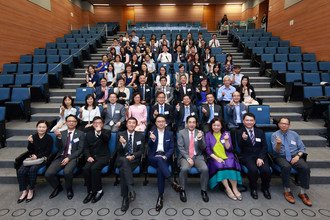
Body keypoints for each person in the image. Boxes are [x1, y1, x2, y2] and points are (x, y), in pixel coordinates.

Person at [271, 117, 312, 206]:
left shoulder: (294, 134)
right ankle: (287, 191)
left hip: (294, 155)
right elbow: (276, 151)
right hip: (280, 156)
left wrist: (298, 156)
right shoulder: (275, 135)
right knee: (286, 167)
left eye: (286, 124)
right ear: (278, 124)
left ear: (289, 125)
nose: (283, 125)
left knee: (305, 168)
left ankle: (302, 193)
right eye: (282, 123)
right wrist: (278, 144)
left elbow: (302, 148)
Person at [148, 115, 183, 212]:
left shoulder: (170, 133)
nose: (160, 123)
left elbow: (172, 148)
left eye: (162, 121)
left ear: (165, 123)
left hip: (164, 157)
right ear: (156, 123)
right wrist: (152, 139)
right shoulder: (151, 132)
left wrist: (166, 156)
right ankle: (172, 182)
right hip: (153, 157)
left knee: (160, 169)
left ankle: (160, 196)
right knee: (159, 160)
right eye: (158, 121)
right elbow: (148, 147)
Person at [45, 115, 85, 200]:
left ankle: (69, 189)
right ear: (66, 122)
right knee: (48, 174)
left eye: (73, 121)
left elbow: (80, 149)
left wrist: (69, 158)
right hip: (61, 156)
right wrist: (59, 137)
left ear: (76, 123)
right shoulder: (61, 133)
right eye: (69, 121)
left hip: (73, 157)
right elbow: (58, 147)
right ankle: (58, 187)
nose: (71, 122)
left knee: (67, 172)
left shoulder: (81, 134)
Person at [205, 118, 242, 200]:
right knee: (220, 166)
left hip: (227, 155)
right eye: (214, 125)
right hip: (214, 157)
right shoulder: (208, 135)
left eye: (218, 125)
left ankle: (234, 188)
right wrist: (217, 158)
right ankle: (228, 189)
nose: (216, 127)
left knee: (231, 164)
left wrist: (226, 140)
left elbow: (229, 149)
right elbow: (207, 150)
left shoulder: (226, 134)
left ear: (221, 126)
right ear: (211, 126)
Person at [236, 113, 272, 200]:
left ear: (254, 121)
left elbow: (264, 147)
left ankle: (265, 188)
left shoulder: (260, 131)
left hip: (260, 155)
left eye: (251, 120)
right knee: (253, 170)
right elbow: (239, 146)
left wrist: (260, 157)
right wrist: (243, 139)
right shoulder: (239, 132)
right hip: (247, 156)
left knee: (266, 170)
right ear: (243, 121)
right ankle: (254, 188)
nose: (249, 122)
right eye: (247, 120)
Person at [17, 120, 53, 203]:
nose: (41, 129)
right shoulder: (33, 137)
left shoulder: (49, 138)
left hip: (42, 159)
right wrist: (30, 143)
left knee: (33, 169)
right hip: (32, 158)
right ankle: (24, 191)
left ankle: (31, 190)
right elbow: (30, 150)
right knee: (21, 171)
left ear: (47, 128)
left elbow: (48, 151)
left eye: (43, 127)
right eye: (39, 127)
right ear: (37, 127)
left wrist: (37, 156)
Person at [177, 116, 209, 203]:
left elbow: (203, 148)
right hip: (185, 156)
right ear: (186, 123)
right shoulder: (181, 132)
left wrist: (199, 139)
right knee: (184, 169)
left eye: (193, 122)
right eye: (190, 122)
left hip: (198, 156)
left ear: (196, 124)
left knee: (205, 169)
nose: (191, 124)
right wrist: (187, 158)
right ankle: (182, 190)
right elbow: (180, 147)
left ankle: (204, 190)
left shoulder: (200, 132)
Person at [117, 117, 145, 211]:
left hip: (133, 160)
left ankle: (125, 197)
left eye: (134, 123)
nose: (131, 124)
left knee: (122, 171)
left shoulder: (140, 135)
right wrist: (123, 144)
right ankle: (131, 189)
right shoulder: (120, 134)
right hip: (122, 158)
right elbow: (118, 151)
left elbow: (142, 150)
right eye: (130, 123)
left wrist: (133, 156)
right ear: (126, 124)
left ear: (136, 125)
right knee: (124, 160)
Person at [82, 116, 110, 204]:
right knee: (85, 169)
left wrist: (99, 132)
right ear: (93, 124)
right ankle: (90, 191)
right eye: (95, 123)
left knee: (94, 169)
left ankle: (99, 191)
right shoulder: (89, 134)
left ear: (102, 124)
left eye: (99, 123)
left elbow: (106, 139)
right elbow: (85, 148)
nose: (97, 124)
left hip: (103, 156)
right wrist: (88, 156)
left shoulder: (106, 132)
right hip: (92, 157)